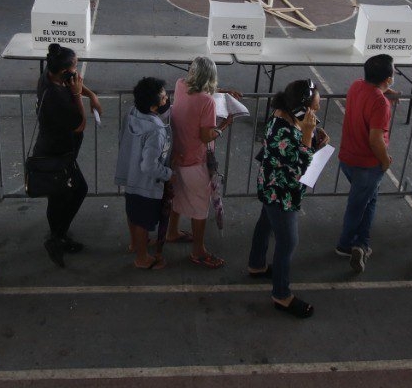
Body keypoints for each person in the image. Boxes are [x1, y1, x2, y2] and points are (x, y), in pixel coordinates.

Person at [247, 79, 329, 319]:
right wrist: (308, 135)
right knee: (287, 243)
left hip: (272, 187)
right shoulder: (281, 129)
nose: (318, 111)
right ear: (302, 108)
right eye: (315, 106)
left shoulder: (288, 115)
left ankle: (256, 265)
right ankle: (281, 295)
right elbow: (300, 166)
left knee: (265, 223)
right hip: (282, 193)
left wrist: (313, 137)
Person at [33, 44, 99, 267]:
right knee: (75, 190)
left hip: (55, 149)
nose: (77, 72)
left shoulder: (49, 76)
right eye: (75, 67)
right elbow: (80, 125)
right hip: (57, 152)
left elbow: (75, 82)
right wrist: (80, 96)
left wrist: (91, 95)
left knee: (60, 194)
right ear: (65, 72)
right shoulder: (58, 97)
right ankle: (56, 237)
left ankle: (58, 234)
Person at [167, 56, 234, 269]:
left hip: (176, 155)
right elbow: (206, 136)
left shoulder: (180, 84)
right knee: (199, 207)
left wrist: (222, 93)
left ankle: (172, 232)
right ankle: (198, 251)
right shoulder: (207, 101)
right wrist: (223, 127)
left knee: (176, 195)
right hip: (194, 160)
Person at [335, 54, 396, 273]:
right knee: (358, 205)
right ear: (387, 79)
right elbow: (375, 139)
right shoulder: (381, 104)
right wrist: (385, 160)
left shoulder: (356, 86)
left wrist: (386, 92)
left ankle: (362, 242)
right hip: (367, 164)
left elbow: (370, 93)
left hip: (348, 158)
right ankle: (346, 244)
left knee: (368, 200)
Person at [114, 76, 173, 271]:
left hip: (129, 175)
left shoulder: (132, 113)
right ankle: (142, 258)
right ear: (154, 106)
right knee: (143, 220)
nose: (167, 100)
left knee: (133, 212)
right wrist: (168, 173)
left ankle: (135, 244)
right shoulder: (156, 129)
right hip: (146, 183)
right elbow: (149, 166)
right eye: (164, 98)